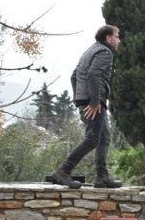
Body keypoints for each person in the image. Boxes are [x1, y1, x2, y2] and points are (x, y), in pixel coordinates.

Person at [47, 24, 123, 189]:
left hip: (87, 99)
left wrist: (79, 98)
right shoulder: (104, 52)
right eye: (117, 36)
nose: (119, 40)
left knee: (104, 138)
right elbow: (94, 74)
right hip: (94, 102)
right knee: (92, 139)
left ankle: (102, 177)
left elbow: (74, 76)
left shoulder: (89, 51)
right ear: (108, 38)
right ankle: (63, 171)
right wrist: (94, 101)